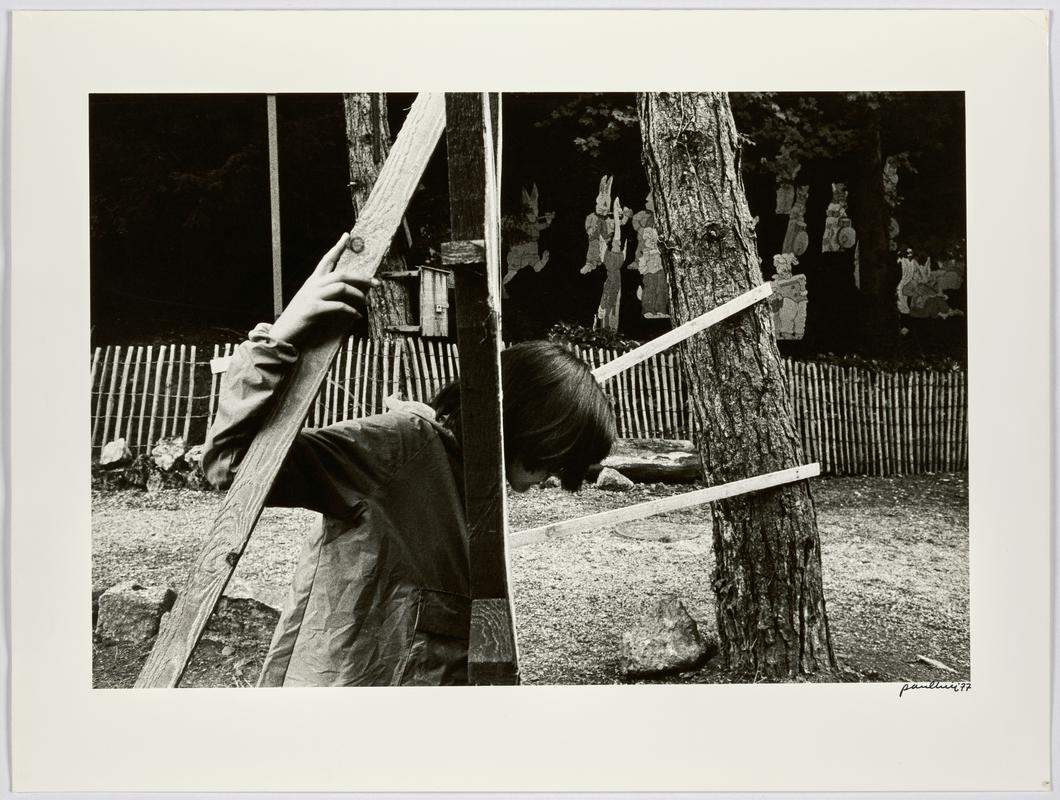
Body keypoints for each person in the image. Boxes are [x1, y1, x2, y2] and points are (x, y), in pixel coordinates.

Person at [202, 233, 616, 687]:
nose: (551, 478)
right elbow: (233, 464)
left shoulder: (478, 486)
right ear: (527, 424)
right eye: (554, 461)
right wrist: (278, 339)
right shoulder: (400, 448)